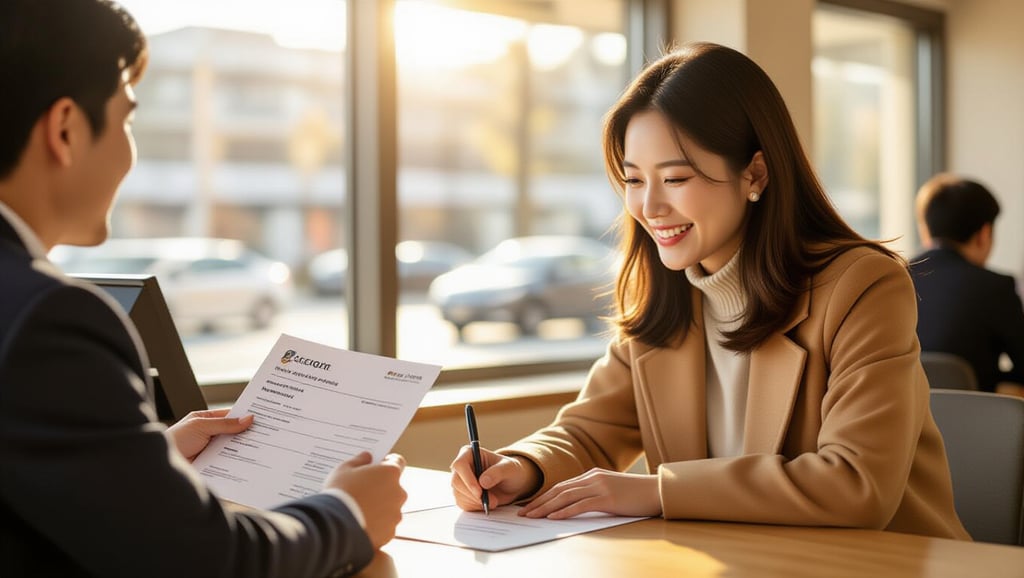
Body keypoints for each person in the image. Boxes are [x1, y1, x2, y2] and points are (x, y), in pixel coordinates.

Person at [450, 42, 969, 540]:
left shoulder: (861, 286)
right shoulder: (666, 293)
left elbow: (856, 484)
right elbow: (589, 430)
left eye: (675, 179)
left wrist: (657, 492)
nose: (649, 207)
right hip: (736, 559)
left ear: (755, 173)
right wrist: (520, 466)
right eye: (634, 180)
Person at [0, 1, 406, 576]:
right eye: (127, 120)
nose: (129, 152)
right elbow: (206, 561)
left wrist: (147, 458)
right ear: (65, 129)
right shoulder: (49, 317)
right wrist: (347, 514)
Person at [910, 173, 1024, 394]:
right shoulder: (995, 287)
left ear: (925, 229)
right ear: (984, 233)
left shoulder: (892, 279)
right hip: (972, 424)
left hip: (902, 421)